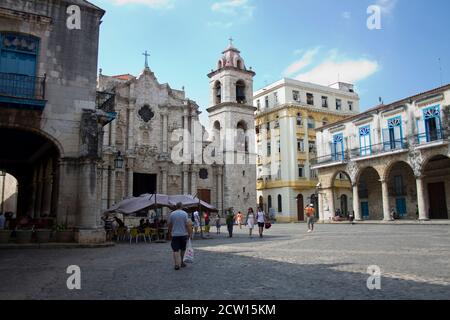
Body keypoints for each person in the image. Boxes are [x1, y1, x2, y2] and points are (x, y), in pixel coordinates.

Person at [168, 202, 192, 271]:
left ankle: (176, 264)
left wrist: (169, 233)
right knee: (183, 249)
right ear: (182, 206)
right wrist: (189, 234)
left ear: (176, 207)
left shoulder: (172, 214)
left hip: (175, 235)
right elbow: (188, 225)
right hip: (183, 234)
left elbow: (170, 225)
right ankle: (182, 262)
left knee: (175, 250)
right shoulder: (185, 214)